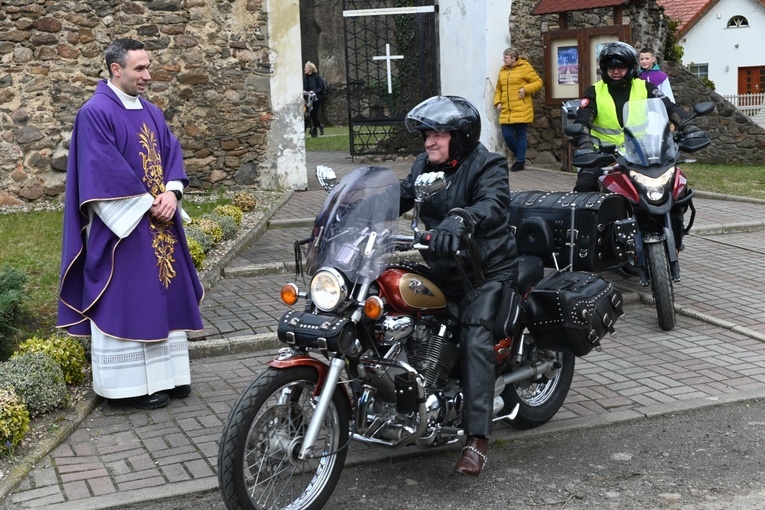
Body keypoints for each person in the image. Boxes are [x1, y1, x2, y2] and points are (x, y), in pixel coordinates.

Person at [57, 38, 204, 410]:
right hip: (123, 229)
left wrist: (171, 193)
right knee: (133, 299)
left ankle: (171, 378)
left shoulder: (151, 111)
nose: (148, 75)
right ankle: (130, 389)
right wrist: (146, 205)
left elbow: (171, 152)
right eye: (140, 68)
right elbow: (100, 170)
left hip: (161, 220)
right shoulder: (95, 112)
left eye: (148, 67)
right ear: (115, 69)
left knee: (165, 297)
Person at [400, 96, 519, 476]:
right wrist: (355, 206)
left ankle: (477, 440)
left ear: (461, 136)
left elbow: (494, 204)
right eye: (426, 135)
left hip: (485, 271)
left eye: (438, 134)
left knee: (474, 336)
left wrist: (462, 218)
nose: (429, 142)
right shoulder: (424, 165)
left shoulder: (488, 164)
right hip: (444, 268)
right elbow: (402, 194)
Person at [571, 42, 705, 259]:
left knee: (678, 189)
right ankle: (583, 250)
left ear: (630, 67)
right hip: (606, 155)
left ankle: (676, 241)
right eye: (610, 67)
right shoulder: (595, 91)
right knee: (584, 188)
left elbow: (669, 108)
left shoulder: (645, 87)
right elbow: (582, 121)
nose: (616, 71)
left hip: (642, 153)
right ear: (604, 69)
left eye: (621, 66)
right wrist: (585, 142)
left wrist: (688, 126)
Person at [493, 48, 543, 172]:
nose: (503, 59)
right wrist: (498, 102)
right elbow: (499, 88)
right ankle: (520, 155)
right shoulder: (503, 70)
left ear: (513, 59)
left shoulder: (525, 68)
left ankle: (520, 161)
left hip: (521, 108)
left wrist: (525, 89)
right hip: (506, 110)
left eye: (506, 57)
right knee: (508, 136)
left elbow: (538, 82)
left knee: (521, 135)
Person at [303, 61, 327, 137]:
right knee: (309, 115)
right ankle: (319, 126)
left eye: (306, 68)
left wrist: (314, 92)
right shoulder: (305, 78)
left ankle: (315, 130)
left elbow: (321, 87)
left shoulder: (317, 77)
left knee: (313, 114)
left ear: (310, 69)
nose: (305, 69)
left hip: (317, 98)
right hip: (308, 98)